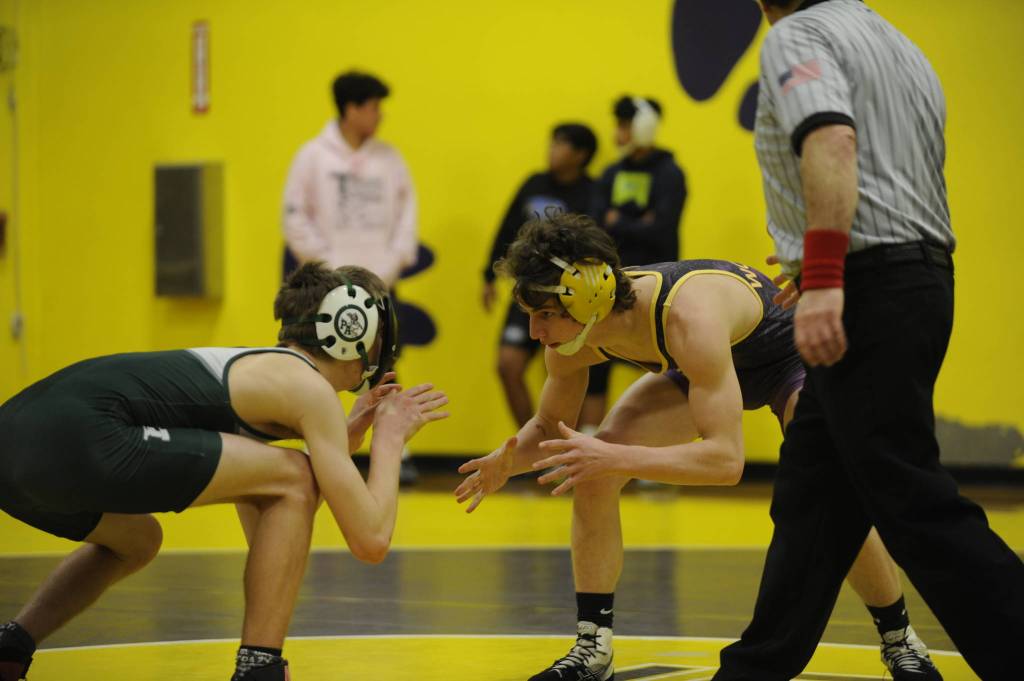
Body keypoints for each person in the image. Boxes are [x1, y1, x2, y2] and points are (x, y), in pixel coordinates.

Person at [454, 213, 937, 681]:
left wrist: (614, 456)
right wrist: (506, 462)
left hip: (788, 356)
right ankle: (592, 647)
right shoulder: (572, 341)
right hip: (705, 366)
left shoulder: (686, 316)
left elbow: (725, 461)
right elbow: (548, 427)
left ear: (587, 299)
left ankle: (900, 639)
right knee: (595, 471)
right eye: (530, 315)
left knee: (828, 494)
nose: (536, 332)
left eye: (545, 316)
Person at [710, 1, 1024, 680]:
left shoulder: (799, 34)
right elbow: (892, 177)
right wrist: (821, 266)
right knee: (813, 498)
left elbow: (833, 143)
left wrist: (825, 276)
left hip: (864, 284)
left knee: (910, 497)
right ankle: (752, 670)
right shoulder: (895, 41)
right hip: (913, 275)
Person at [0, 263, 449, 681]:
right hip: (83, 434)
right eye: (376, 336)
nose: (379, 351)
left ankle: (12, 644)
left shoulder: (265, 371)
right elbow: (369, 539)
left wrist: (345, 436)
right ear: (350, 328)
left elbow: (264, 492)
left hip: (18, 446)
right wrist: (390, 440)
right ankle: (260, 667)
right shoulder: (309, 389)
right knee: (294, 477)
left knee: (136, 541)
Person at [281, 70, 422, 484]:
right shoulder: (312, 156)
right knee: (322, 365)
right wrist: (330, 270)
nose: (380, 115)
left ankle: (398, 450)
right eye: (374, 106)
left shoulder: (390, 159)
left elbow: (407, 218)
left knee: (384, 362)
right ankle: (322, 444)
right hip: (329, 284)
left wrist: (388, 268)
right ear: (351, 108)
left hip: (380, 280)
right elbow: (294, 218)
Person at [481, 123, 610, 429]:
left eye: (561, 144)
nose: (552, 149)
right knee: (507, 364)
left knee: (568, 371)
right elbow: (507, 229)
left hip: (569, 297)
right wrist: (488, 275)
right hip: (528, 290)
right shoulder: (534, 184)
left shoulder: (592, 193)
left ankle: (569, 451)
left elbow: (597, 245)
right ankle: (535, 443)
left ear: (580, 155)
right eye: (552, 142)